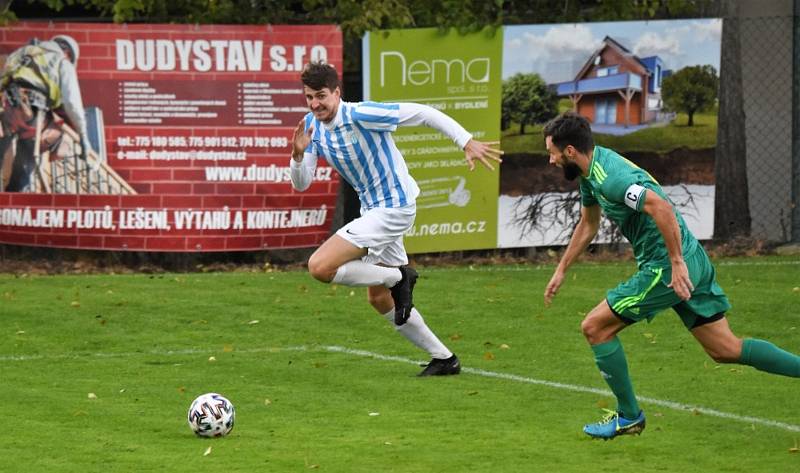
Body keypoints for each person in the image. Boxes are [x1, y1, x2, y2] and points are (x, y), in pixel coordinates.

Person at [541, 111, 800, 439]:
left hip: (666, 266)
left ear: (569, 152)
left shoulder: (610, 178)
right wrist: (561, 269)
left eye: (551, 151)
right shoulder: (591, 172)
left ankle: (629, 417)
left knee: (594, 327)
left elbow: (660, 207)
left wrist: (676, 263)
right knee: (725, 349)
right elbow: (588, 224)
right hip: (691, 257)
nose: (549, 160)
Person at [290, 61, 502, 376]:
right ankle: (444, 358)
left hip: (395, 207)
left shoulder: (361, 114)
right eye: (309, 97)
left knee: (320, 267)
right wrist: (297, 155)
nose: (315, 104)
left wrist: (465, 140)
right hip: (373, 211)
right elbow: (301, 183)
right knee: (378, 298)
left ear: (337, 92)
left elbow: (424, 113)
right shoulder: (311, 126)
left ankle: (398, 277)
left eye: (321, 95)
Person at [0, 35, 92, 192]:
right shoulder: (62, 62)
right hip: (35, 113)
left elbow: (3, 78)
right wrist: (84, 138)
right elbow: (72, 103)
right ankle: (12, 202)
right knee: (26, 163)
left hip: (7, 106)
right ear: (68, 53)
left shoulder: (23, 52)